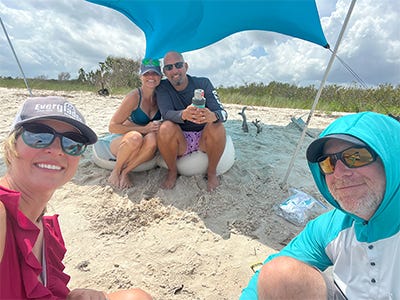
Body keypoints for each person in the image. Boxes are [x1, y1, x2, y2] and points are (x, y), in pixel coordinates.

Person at [0, 96, 153, 300]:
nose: (56, 150)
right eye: (39, 136)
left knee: (136, 297)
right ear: (11, 148)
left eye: (72, 143)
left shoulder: (41, 225)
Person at [240, 111, 400, 299]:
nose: (339, 173)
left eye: (356, 156)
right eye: (328, 163)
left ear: (392, 157)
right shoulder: (333, 226)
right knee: (281, 274)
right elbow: (271, 272)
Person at [156, 51, 228, 191]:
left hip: (204, 137)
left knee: (217, 126)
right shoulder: (163, 87)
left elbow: (223, 113)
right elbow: (166, 113)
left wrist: (212, 116)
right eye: (169, 67)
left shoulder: (203, 83)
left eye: (178, 65)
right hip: (180, 139)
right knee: (165, 127)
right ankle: (172, 172)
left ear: (186, 66)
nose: (175, 70)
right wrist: (184, 114)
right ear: (165, 71)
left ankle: (211, 173)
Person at [108, 58, 162, 189]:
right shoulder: (134, 97)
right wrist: (144, 129)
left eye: (155, 73)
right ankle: (116, 171)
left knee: (153, 139)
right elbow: (112, 126)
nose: (151, 77)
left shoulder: (162, 96)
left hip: (146, 142)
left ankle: (126, 172)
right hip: (124, 139)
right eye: (147, 74)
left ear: (161, 77)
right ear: (140, 77)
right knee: (135, 137)